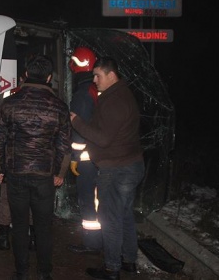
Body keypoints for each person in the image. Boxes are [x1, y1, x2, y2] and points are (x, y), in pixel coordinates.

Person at [0, 54, 71, 280]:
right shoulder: (60, 107)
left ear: (25, 75)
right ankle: (45, 274)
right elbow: (65, 147)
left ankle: (21, 273)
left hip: (16, 175)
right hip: (44, 177)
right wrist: (60, 174)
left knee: (20, 226)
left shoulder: (9, 103)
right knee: (43, 227)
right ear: (49, 77)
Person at [70, 56, 144, 280]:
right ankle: (129, 261)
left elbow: (103, 138)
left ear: (111, 75)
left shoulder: (115, 101)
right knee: (124, 216)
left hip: (117, 170)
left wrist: (76, 122)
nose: (93, 80)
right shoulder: (116, 95)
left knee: (110, 219)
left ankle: (112, 269)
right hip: (127, 165)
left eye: (97, 75)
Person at [0, 75, 37, 252]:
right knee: (32, 199)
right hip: (35, 160)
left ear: (24, 77)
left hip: (11, 158)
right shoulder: (44, 99)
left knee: (6, 199)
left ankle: (3, 237)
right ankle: (32, 239)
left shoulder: (9, 96)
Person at [65, 47, 102, 255]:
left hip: (87, 161)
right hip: (99, 155)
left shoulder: (82, 93)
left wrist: (74, 157)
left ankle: (92, 243)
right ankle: (101, 240)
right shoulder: (95, 89)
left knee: (88, 201)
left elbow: (77, 128)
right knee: (98, 200)